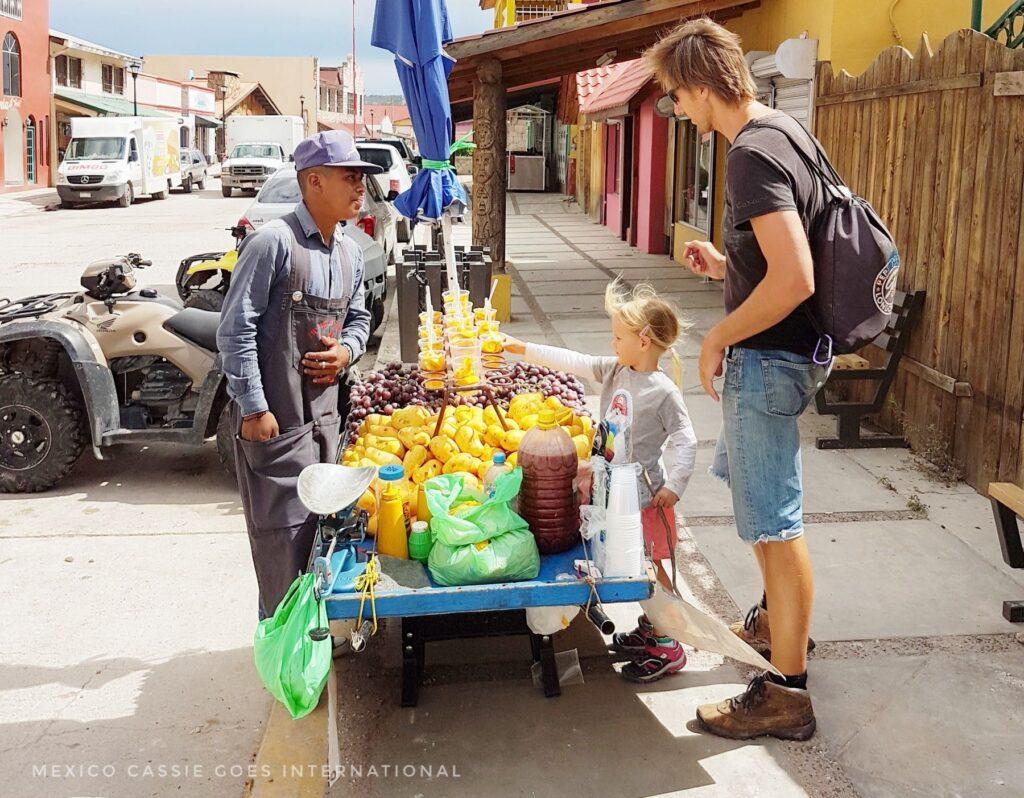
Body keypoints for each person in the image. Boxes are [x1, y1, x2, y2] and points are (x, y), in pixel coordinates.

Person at [644, 18, 832, 740]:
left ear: (699, 85)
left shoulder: (751, 153)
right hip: (793, 351)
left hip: (769, 356)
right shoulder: (785, 131)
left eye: (675, 97)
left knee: (775, 529)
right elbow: (787, 261)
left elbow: (795, 277)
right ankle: (776, 626)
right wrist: (729, 270)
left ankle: (786, 691)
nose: (677, 110)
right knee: (771, 520)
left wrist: (717, 336)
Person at [217, 130, 382, 618]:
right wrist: (254, 407)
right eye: (350, 178)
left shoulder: (351, 251)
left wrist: (347, 353)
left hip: (325, 425)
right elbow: (235, 329)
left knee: (325, 541)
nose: (360, 189)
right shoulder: (273, 244)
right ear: (314, 181)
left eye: (362, 179)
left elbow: (359, 319)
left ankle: (316, 644)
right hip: (277, 425)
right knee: (281, 547)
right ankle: (284, 658)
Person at [505, 281, 697, 682]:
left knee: (653, 571)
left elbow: (686, 439)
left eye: (618, 336)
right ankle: (653, 626)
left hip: (645, 501)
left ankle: (669, 643)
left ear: (643, 341)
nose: (612, 343)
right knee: (625, 564)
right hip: (611, 494)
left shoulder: (663, 392)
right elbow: (571, 360)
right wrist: (521, 348)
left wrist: (674, 485)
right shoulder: (615, 370)